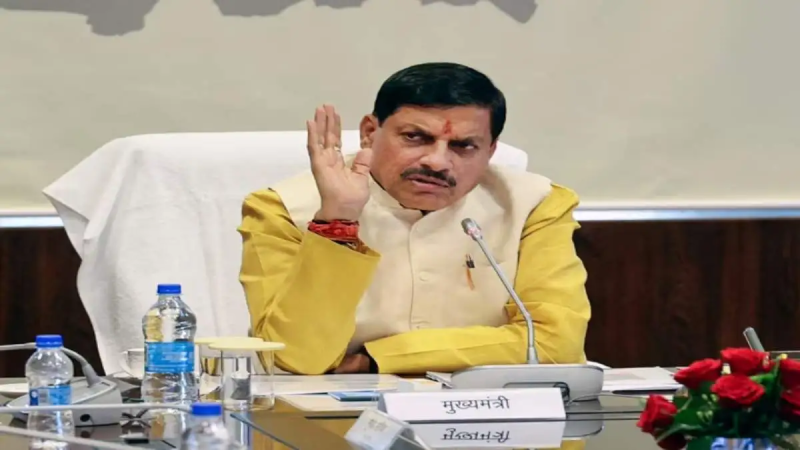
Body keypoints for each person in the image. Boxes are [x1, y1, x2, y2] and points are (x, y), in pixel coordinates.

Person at [238, 62, 591, 375]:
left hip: (489, 411)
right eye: (416, 138)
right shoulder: (282, 210)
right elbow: (295, 358)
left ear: (490, 151)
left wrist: (376, 359)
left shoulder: (533, 205)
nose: (437, 162)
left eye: (463, 146)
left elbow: (554, 344)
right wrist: (338, 220)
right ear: (369, 132)